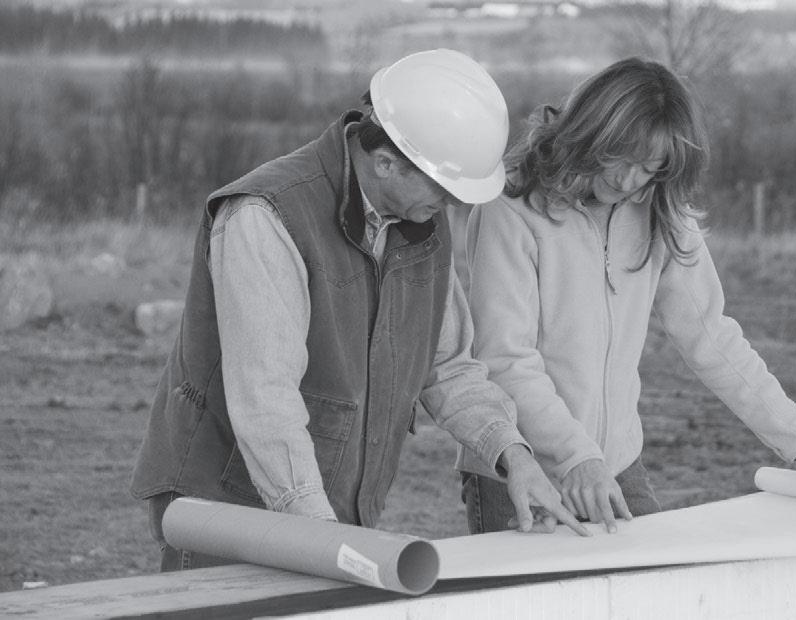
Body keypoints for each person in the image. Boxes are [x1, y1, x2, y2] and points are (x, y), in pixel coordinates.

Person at [130, 49, 588, 571]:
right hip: (227, 506)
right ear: (386, 161)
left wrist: (515, 456)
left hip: (329, 509)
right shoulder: (266, 216)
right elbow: (265, 399)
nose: (452, 205)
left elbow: (449, 366)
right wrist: (323, 536)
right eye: (445, 189)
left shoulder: (419, 219)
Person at [456, 57, 796, 535]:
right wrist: (575, 456)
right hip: (521, 470)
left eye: (648, 168)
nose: (628, 182)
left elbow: (713, 340)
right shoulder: (511, 207)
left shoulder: (661, 211)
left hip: (615, 465)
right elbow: (505, 359)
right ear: (591, 132)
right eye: (620, 159)